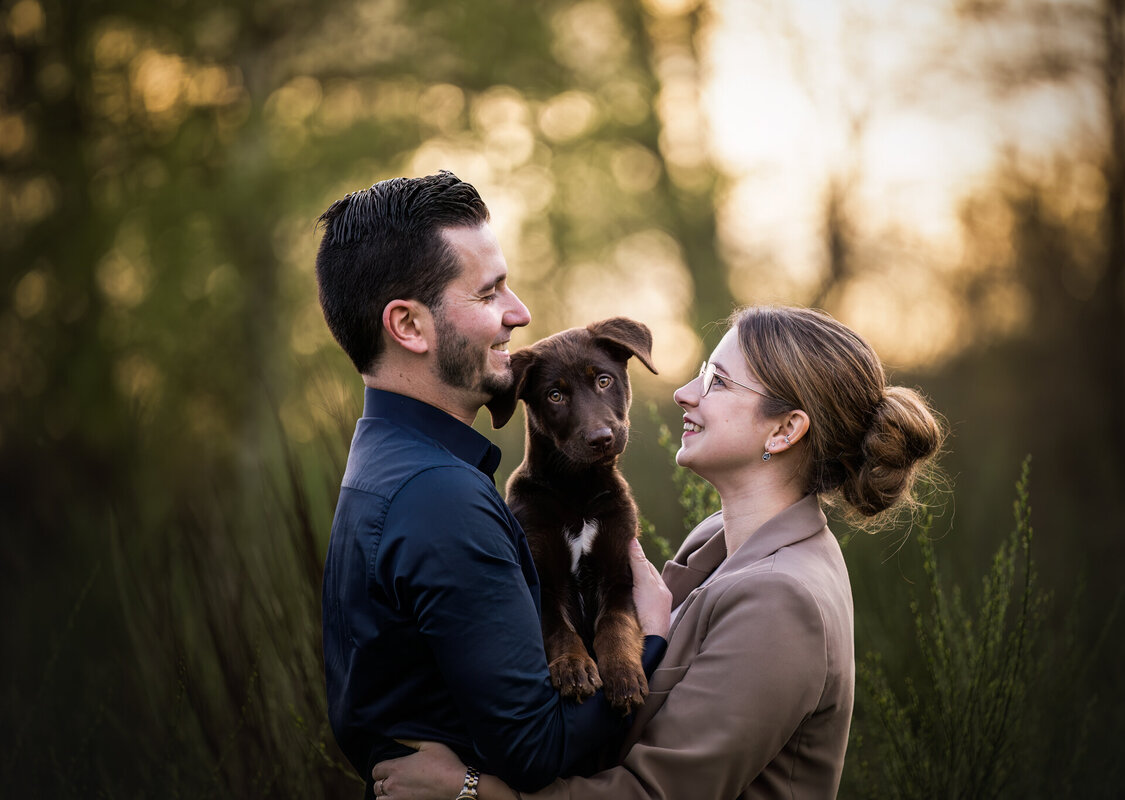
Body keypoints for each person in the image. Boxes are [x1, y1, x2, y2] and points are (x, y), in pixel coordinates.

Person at [370, 304, 944, 800]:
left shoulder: (783, 600)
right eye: (699, 373)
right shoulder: (717, 542)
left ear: (784, 430)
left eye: (716, 382)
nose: (682, 392)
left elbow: (653, 794)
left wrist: (468, 790)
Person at [314, 171, 672, 799]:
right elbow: (535, 750)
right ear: (409, 327)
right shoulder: (439, 498)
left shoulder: (381, 462)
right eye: (489, 294)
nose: (521, 313)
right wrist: (656, 635)